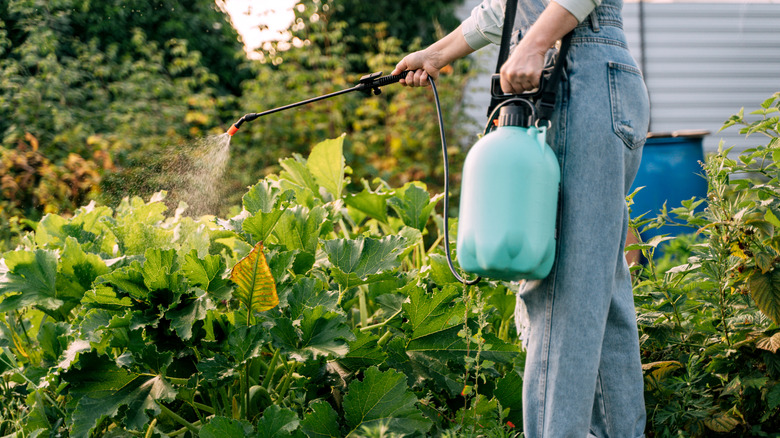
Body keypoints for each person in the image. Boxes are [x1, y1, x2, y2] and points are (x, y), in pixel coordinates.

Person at [391, 0, 650, 436]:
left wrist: (535, 42)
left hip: (577, 68)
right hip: (588, 71)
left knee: (561, 293)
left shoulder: (548, 42)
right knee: (599, 294)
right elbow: (512, 6)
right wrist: (437, 55)